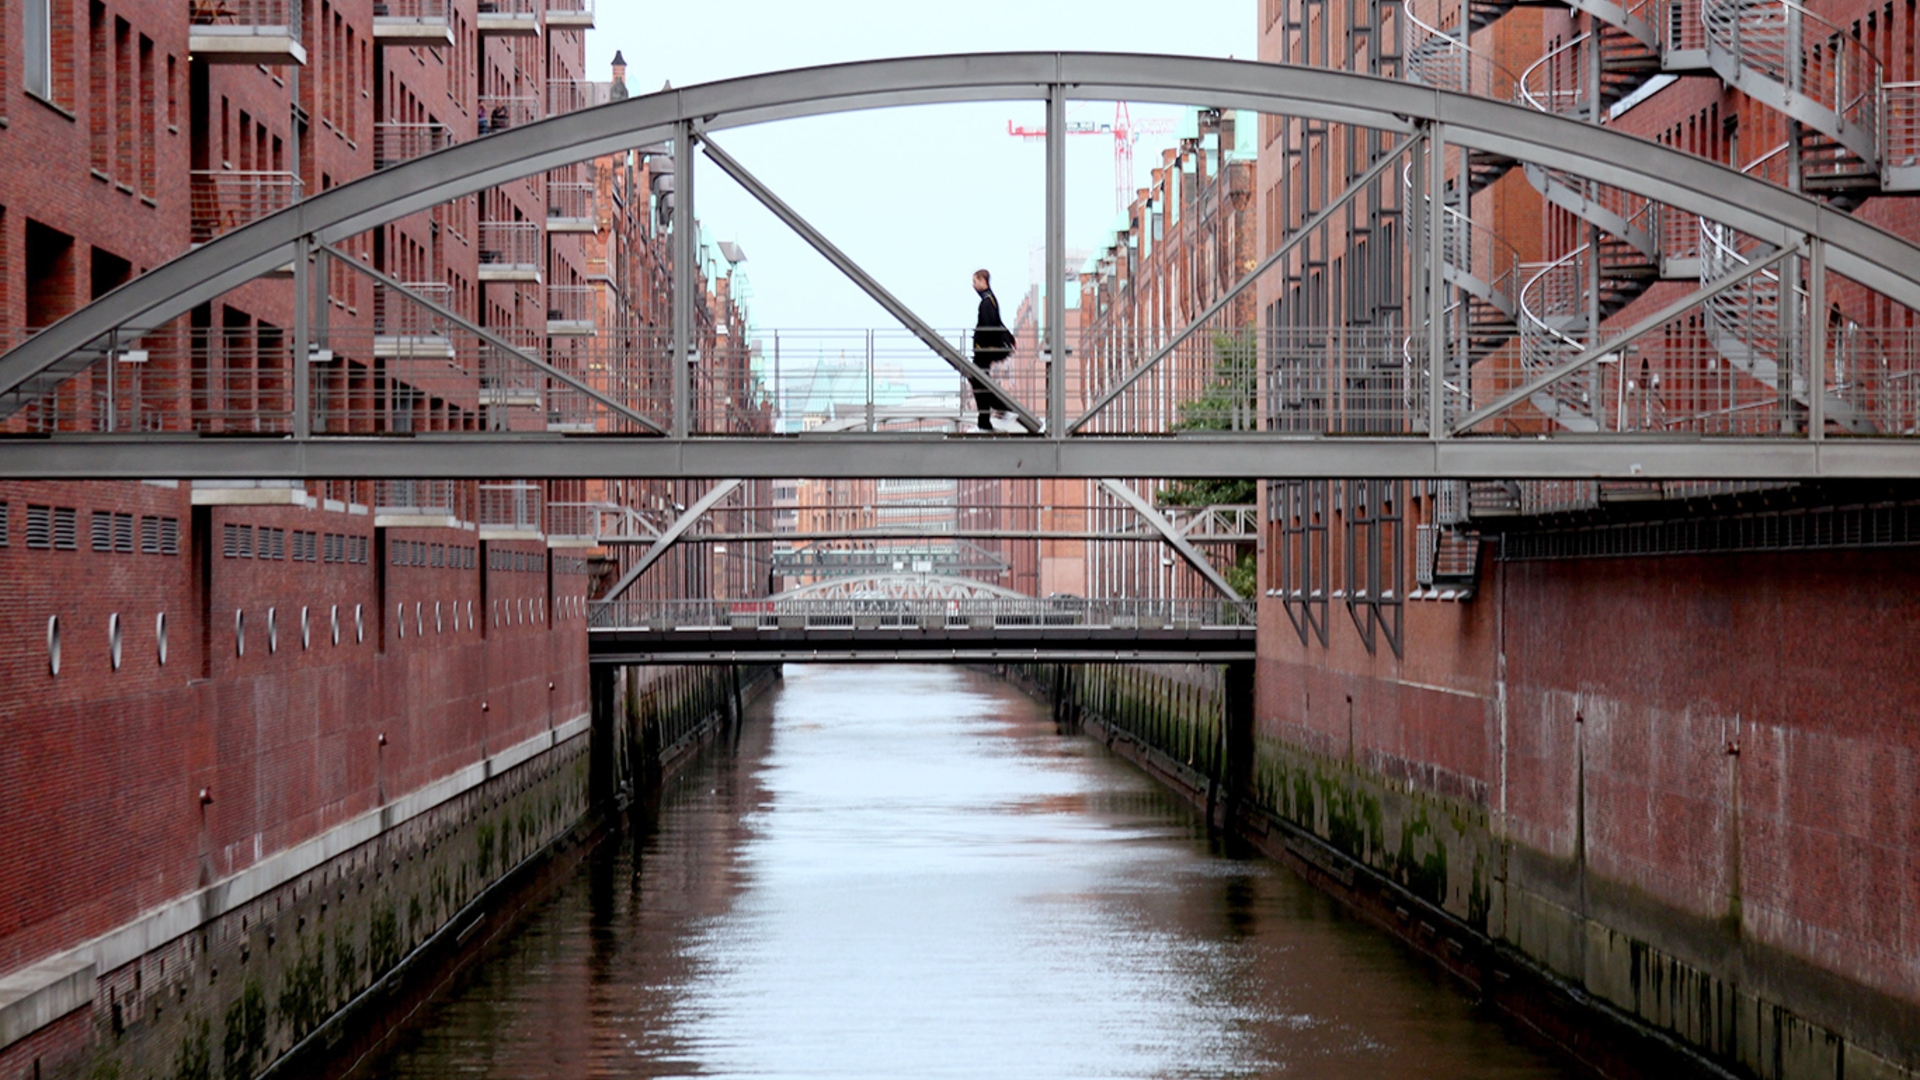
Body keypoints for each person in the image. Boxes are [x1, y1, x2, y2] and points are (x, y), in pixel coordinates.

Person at [969, 269, 1014, 431]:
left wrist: (982, 346)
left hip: (984, 351)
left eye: (975, 281)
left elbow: (989, 326)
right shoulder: (991, 300)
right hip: (985, 350)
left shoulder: (987, 302)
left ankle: (998, 412)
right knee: (981, 382)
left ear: (983, 281)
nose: (973, 285)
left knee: (979, 382)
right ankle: (985, 420)